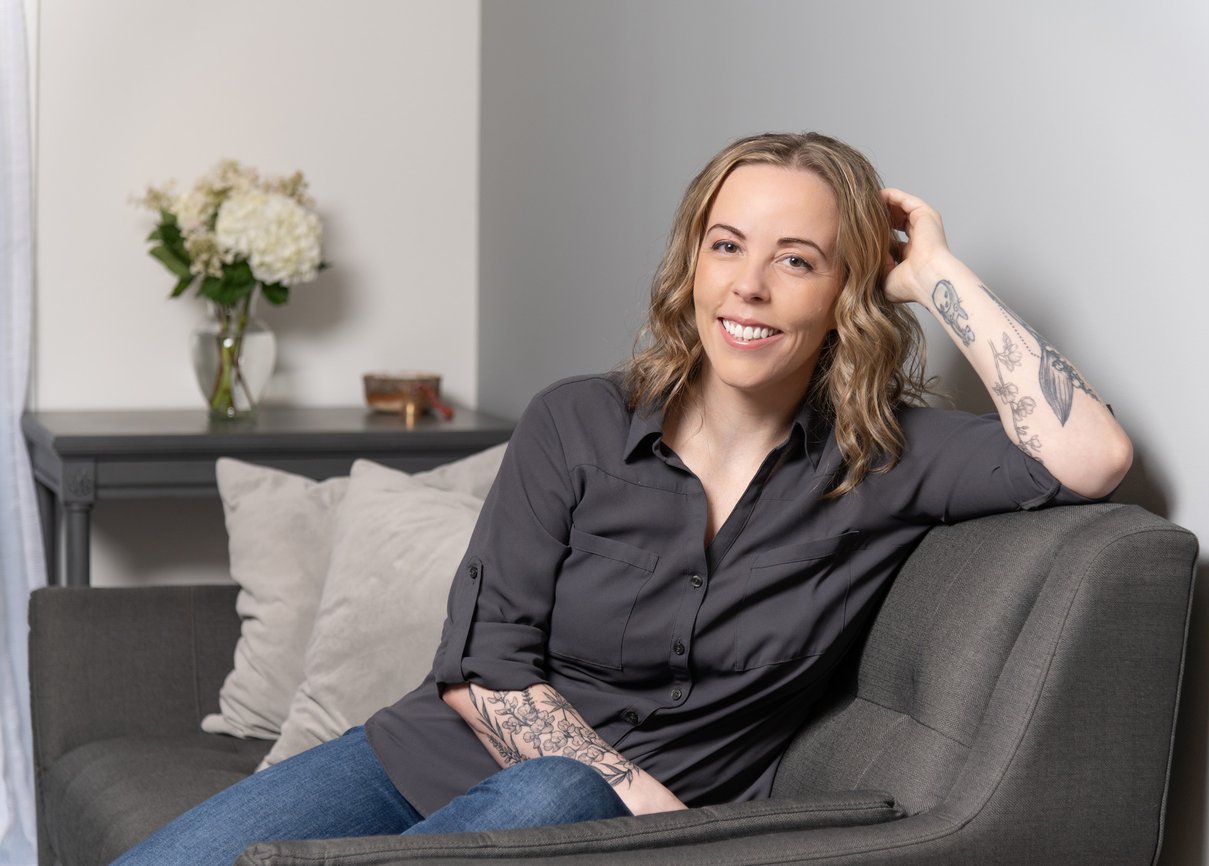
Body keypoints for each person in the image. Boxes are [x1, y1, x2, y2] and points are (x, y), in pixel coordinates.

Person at [113, 131, 1131, 864]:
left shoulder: (887, 454)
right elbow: (485, 674)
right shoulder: (575, 423)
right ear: (691, 262)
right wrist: (646, 802)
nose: (749, 286)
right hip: (416, 760)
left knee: (562, 785)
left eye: (798, 259)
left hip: (572, 818)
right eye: (726, 245)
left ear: (847, 293)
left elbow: (1091, 456)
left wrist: (939, 271)